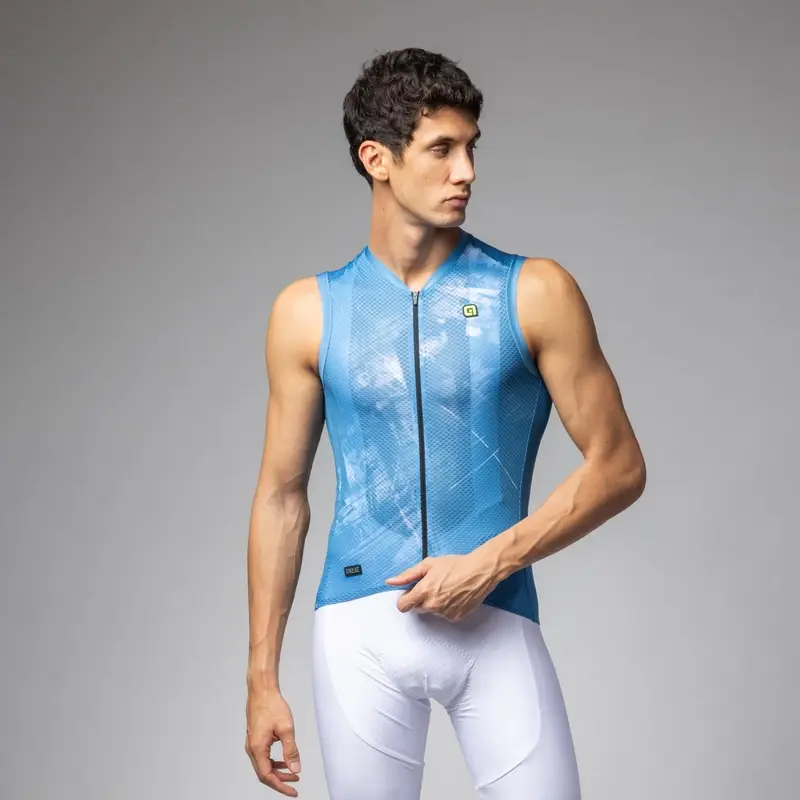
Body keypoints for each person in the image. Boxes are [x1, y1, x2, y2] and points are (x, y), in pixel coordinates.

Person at [244, 47, 646, 800]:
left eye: (471, 148)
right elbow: (280, 497)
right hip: (358, 634)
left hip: (494, 617)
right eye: (441, 149)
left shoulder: (533, 291)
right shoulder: (308, 312)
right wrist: (261, 679)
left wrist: (490, 563)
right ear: (377, 159)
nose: (467, 171)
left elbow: (620, 465)